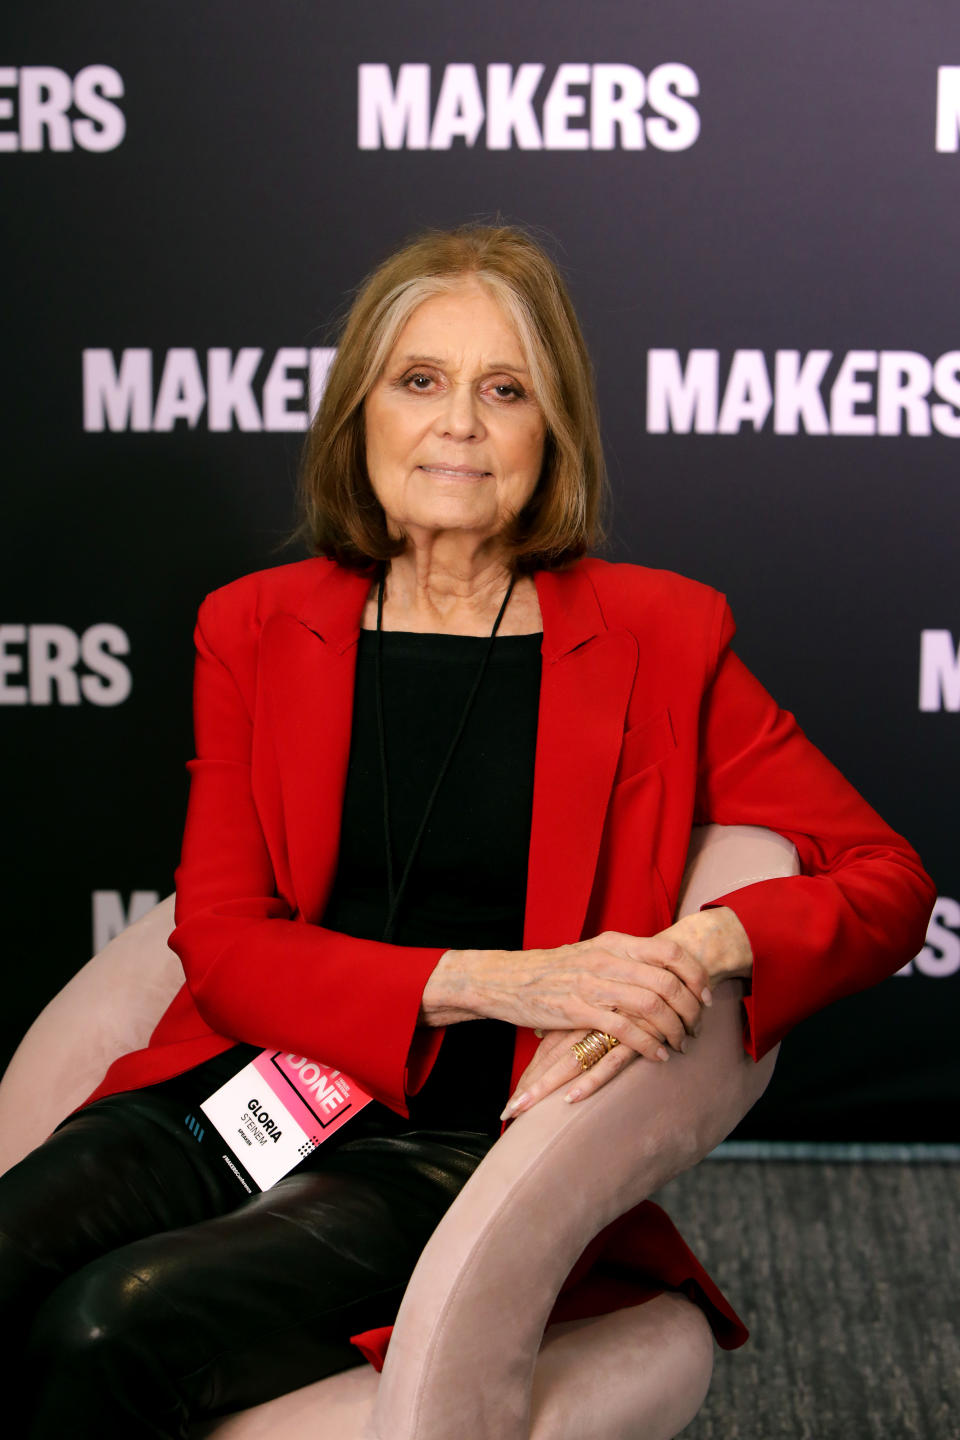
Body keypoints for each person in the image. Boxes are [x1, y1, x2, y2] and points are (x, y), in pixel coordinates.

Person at [0, 224, 935, 1437]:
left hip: (449, 1150)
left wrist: (706, 945)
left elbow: (887, 880)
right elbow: (222, 945)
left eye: (506, 391)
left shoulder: (662, 637)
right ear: (361, 415)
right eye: (421, 381)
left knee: (103, 1323)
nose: (459, 423)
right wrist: (515, 980)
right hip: (241, 1086)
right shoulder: (256, 626)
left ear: (553, 436)